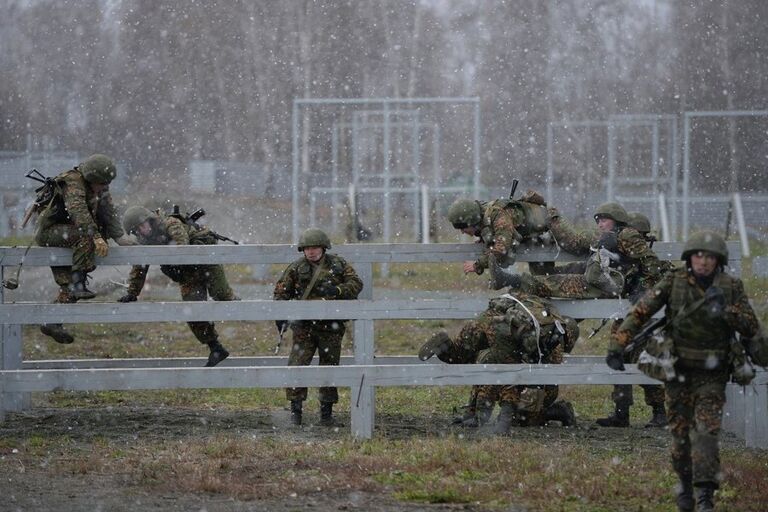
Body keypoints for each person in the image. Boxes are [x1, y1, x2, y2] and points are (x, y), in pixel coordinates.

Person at [607, 231, 760, 512]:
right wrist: (618, 346)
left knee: (706, 434)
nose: (703, 262)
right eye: (698, 256)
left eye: (710, 257)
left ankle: (705, 496)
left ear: (718, 261)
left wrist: (726, 310)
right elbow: (641, 311)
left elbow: (751, 327)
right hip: (677, 372)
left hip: (711, 375)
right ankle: (685, 487)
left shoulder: (730, 286)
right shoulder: (674, 282)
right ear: (690, 259)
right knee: (680, 436)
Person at [419, 293, 579, 434]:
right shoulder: (550, 343)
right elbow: (515, 378)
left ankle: (445, 347)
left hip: (487, 318)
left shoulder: (540, 313)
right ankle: (557, 411)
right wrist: (505, 412)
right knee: (523, 413)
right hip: (504, 330)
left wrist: (472, 412)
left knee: (462, 356)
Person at [34, 154, 135, 344]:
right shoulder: (73, 183)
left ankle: (52, 321)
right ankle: (78, 282)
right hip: (50, 232)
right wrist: (96, 237)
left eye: (107, 183)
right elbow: (78, 211)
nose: (105, 187)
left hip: (70, 232)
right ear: (90, 179)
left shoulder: (98, 187)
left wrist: (120, 237)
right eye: (101, 183)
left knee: (68, 288)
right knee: (85, 237)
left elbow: (108, 211)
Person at [119, 205, 237, 367]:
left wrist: (165, 254)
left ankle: (244, 306)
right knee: (193, 311)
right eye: (137, 230)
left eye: (142, 225)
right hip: (188, 274)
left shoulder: (170, 224)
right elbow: (139, 267)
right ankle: (216, 348)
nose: (142, 231)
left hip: (206, 262)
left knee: (222, 295)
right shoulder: (144, 242)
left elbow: (182, 248)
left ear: (150, 220)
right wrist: (132, 292)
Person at [274, 228, 363, 426]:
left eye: (315, 248)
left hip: (330, 326)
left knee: (329, 368)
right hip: (303, 327)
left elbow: (356, 284)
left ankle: (326, 413)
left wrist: (337, 290)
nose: (311, 252)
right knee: (297, 366)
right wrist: (281, 315)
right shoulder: (296, 268)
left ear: (323, 248)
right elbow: (281, 291)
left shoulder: (338, 265)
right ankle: (295, 411)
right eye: (307, 248)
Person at [595, 211, 670, 428]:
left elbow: (655, 275)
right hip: (627, 313)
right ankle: (621, 412)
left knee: (643, 356)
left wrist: (642, 290)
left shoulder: (648, 262)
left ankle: (659, 412)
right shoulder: (628, 254)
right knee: (618, 354)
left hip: (645, 316)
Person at [446, 190, 551, 290]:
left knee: (548, 283)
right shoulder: (485, 217)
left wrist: (477, 265)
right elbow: (493, 232)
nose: (462, 232)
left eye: (463, 228)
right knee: (543, 280)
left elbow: (501, 248)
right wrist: (486, 239)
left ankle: (568, 271)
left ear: (472, 222)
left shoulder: (498, 215)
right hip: (535, 237)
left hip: (552, 221)